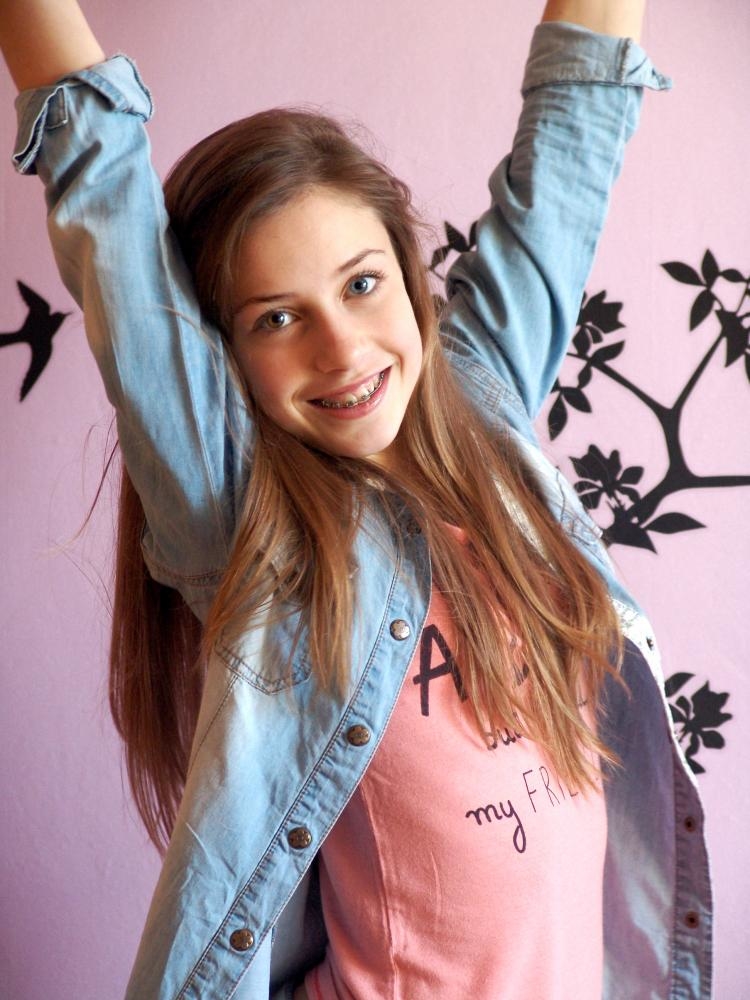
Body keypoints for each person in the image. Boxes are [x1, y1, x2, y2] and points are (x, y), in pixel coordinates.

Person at [1, 1, 712, 998]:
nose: (341, 349)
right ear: (221, 356)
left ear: (410, 277)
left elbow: (572, 141)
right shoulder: (245, 519)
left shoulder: (483, 402)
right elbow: (107, 202)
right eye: (276, 318)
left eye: (362, 284)